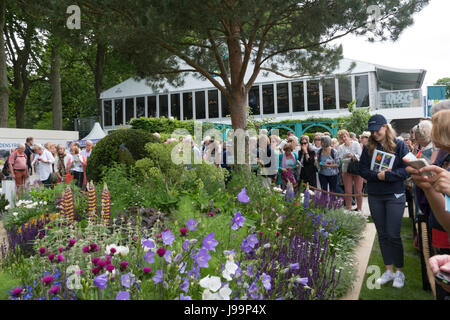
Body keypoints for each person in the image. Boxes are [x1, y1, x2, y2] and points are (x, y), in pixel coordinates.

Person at [359, 114, 410, 289]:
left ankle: (400, 272)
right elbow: (363, 170)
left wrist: (388, 175)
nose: (374, 133)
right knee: (382, 234)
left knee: (393, 234)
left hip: (394, 195)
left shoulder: (400, 145)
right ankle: (389, 271)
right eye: (372, 130)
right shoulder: (367, 148)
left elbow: (407, 170)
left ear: (385, 127)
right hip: (375, 196)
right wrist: (378, 176)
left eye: (377, 129)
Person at [338, 129, 363, 213]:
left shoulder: (356, 144)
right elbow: (341, 159)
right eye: (341, 137)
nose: (344, 138)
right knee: (348, 190)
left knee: (358, 190)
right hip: (346, 170)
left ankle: (359, 209)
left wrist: (353, 156)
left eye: (344, 136)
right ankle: (348, 208)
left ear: (348, 136)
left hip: (357, 169)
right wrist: (351, 158)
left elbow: (360, 156)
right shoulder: (340, 147)